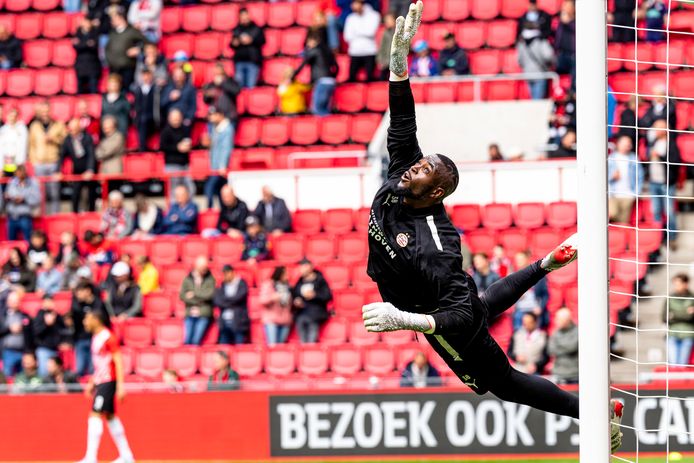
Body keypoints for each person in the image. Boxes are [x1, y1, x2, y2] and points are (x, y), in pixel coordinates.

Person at [358, 3, 623, 452]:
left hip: (440, 314)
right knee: (483, 311)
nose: (412, 167)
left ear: (437, 192)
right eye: (417, 162)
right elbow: (403, 123)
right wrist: (399, 70)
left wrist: (405, 320)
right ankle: (545, 263)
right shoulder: (401, 172)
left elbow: (460, 316)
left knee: (502, 380)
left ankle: (596, 416)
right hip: (437, 297)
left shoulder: (440, 248)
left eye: (423, 168)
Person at [76, 309, 135, 463]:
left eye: (87, 318)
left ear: (96, 319)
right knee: (110, 416)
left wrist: (121, 386)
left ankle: (91, 457)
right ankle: (127, 456)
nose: (84, 322)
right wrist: (92, 381)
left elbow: (117, 360)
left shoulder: (108, 337)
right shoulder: (96, 338)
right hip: (102, 381)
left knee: (95, 415)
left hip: (109, 381)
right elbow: (100, 364)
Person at [28, 101, 67, 214]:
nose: (45, 113)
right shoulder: (34, 126)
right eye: (43, 111)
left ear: (50, 111)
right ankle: (42, 215)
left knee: (54, 192)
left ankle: (55, 215)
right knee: (40, 193)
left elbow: (65, 142)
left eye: (47, 111)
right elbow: (31, 145)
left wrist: (53, 139)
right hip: (39, 163)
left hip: (53, 162)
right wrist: (34, 161)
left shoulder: (58, 124)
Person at [647, 119, 680, 248]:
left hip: (666, 183)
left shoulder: (671, 144)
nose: (655, 130)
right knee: (656, 211)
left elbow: (675, 161)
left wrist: (659, 157)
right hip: (653, 182)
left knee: (669, 211)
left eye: (658, 128)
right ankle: (658, 237)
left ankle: (672, 237)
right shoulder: (653, 142)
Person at [293, 33, 339, 116]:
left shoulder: (315, 51)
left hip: (321, 81)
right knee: (326, 108)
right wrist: (333, 77)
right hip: (331, 81)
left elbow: (303, 64)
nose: (308, 44)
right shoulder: (328, 51)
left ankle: (324, 128)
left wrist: (293, 75)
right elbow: (336, 67)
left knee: (318, 109)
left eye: (309, 42)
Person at [59, 118, 98, 213]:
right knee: (75, 193)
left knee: (91, 193)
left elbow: (91, 155)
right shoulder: (68, 139)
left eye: (73, 129)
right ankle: (74, 213)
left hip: (88, 169)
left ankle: (91, 212)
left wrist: (90, 170)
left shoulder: (87, 137)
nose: (71, 131)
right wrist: (58, 171)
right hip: (77, 170)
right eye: (70, 129)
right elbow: (61, 156)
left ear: (79, 128)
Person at [105, 7, 145, 91]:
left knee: (126, 91)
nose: (112, 21)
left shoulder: (132, 31)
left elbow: (148, 43)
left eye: (114, 19)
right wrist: (110, 61)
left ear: (121, 18)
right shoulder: (112, 33)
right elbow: (107, 48)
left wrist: (139, 49)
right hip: (114, 68)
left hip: (127, 67)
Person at [292, 258, 332, 343]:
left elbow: (328, 296)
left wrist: (315, 295)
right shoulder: (299, 281)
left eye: (303, 266)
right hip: (301, 314)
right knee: (303, 342)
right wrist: (296, 301)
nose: (301, 269)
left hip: (315, 314)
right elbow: (295, 295)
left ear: (310, 266)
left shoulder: (320, 280)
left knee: (311, 342)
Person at [69, 281, 104, 377]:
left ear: (88, 291)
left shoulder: (98, 304)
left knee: (93, 369)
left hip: (95, 339)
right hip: (80, 339)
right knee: (79, 369)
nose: (78, 295)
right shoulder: (77, 305)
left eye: (80, 292)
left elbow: (103, 322)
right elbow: (73, 320)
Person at [180, 256, 216, 346]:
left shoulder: (210, 279)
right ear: (196, 266)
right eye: (202, 267)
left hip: (204, 313)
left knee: (196, 341)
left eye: (205, 267)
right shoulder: (188, 279)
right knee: (187, 341)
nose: (204, 269)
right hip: (190, 312)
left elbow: (209, 295)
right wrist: (200, 299)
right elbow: (182, 296)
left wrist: (194, 294)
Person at [608, 135, 643, 224]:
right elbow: (602, 177)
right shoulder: (610, 158)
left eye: (628, 144)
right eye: (624, 144)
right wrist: (612, 176)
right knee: (613, 214)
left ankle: (620, 238)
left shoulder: (634, 158)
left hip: (628, 195)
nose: (627, 146)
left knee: (623, 222)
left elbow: (640, 176)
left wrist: (635, 193)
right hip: (613, 194)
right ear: (618, 144)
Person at [159, 109, 194, 197]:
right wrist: (177, 147)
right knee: (174, 191)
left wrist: (187, 146)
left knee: (190, 189)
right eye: (174, 118)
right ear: (169, 119)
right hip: (172, 165)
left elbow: (188, 142)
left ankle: (188, 209)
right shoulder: (165, 131)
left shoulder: (184, 129)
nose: (176, 120)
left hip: (185, 165)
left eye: (178, 118)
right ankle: (174, 209)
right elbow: (163, 147)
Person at [203, 107, 233, 209]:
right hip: (214, 166)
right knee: (219, 192)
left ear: (220, 115)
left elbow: (226, 148)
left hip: (219, 168)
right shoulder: (214, 128)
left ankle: (209, 209)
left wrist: (222, 165)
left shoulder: (226, 129)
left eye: (213, 115)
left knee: (209, 188)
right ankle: (223, 212)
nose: (211, 118)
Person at [511, 250, 549, 329]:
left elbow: (545, 295)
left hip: (534, 309)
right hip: (520, 309)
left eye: (521, 259)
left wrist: (540, 308)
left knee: (537, 325)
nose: (518, 262)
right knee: (517, 322)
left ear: (527, 259)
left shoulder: (539, 274)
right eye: (517, 260)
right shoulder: (513, 277)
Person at [344, 0, 380, 82]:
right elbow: (347, 36)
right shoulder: (350, 18)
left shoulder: (374, 15)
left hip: (369, 52)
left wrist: (355, 32)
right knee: (351, 80)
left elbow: (370, 32)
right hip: (354, 52)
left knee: (370, 79)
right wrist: (363, 32)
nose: (353, 6)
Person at [213, 264, 250, 345]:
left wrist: (225, 301)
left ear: (232, 272)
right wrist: (231, 302)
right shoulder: (222, 285)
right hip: (224, 322)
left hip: (239, 322)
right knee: (223, 349)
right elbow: (217, 301)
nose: (224, 276)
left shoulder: (242, 284)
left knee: (239, 350)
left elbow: (239, 298)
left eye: (226, 274)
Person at [230, 8, 265, 89]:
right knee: (238, 89)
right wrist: (234, 43)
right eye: (242, 16)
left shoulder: (256, 29)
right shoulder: (237, 29)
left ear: (249, 16)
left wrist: (251, 40)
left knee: (250, 88)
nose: (244, 17)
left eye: (246, 15)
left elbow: (262, 41)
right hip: (239, 62)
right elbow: (231, 44)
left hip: (252, 61)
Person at [663, 274, 694, 366]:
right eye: (675, 284)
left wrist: (674, 315)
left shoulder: (692, 298)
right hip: (672, 333)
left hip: (688, 334)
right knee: (673, 365)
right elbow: (664, 317)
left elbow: (691, 318)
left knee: (682, 364)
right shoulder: (670, 298)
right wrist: (686, 313)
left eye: (679, 284)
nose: (677, 286)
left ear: (686, 284)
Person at [33, 295, 67, 376]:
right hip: (43, 349)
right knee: (44, 373)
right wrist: (46, 324)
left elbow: (63, 329)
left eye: (50, 301)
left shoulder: (56, 315)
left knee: (56, 374)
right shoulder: (39, 315)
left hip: (55, 349)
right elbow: (36, 332)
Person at [5, 165, 41, 241]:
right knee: (11, 243)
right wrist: (8, 197)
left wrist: (24, 199)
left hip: (25, 217)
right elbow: (8, 194)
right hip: (11, 217)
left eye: (21, 171)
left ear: (25, 172)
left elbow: (37, 199)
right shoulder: (12, 182)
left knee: (27, 242)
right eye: (18, 172)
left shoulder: (33, 183)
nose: (19, 174)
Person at [259, 266, 293, 345]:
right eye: (285, 274)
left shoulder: (288, 287)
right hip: (272, 320)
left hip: (285, 320)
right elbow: (262, 300)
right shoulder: (268, 284)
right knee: (272, 346)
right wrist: (273, 298)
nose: (287, 277)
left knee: (281, 348)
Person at [0, 291, 31, 376]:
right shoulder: (2, 316)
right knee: (7, 376)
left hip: (23, 352)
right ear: (8, 302)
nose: (15, 303)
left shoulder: (25, 315)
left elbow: (30, 334)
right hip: (8, 351)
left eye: (17, 301)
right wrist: (9, 329)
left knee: (21, 377)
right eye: (13, 301)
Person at [548, 307, 579, 384]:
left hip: (575, 374)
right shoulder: (555, 332)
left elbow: (572, 347)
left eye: (558, 319)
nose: (556, 321)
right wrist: (566, 346)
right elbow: (551, 350)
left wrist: (559, 345)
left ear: (567, 320)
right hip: (558, 373)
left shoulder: (578, 331)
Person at [73, 17, 102, 94]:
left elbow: (94, 45)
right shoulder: (77, 33)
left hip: (93, 66)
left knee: (93, 89)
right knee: (80, 90)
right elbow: (76, 46)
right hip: (80, 66)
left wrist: (81, 43)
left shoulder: (95, 33)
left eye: (88, 22)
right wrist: (87, 44)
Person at [133, 69, 158, 151]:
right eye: (144, 75)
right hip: (141, 117)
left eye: (148, 75)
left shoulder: (156, 89)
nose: (146, 78)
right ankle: (143, 148)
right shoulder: (137, 89)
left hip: (152, 117)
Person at [0, 108, 28, 180]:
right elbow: (1, 149)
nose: (12, 118)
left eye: (14, 116)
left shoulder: (22, 129)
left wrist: (20, 164)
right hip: (6, 164)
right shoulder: (3, 130)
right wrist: (1, 167)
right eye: (10, 115)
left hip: (17, 164)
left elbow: (23, 147)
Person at [95, 116, 125, 181]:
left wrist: (100, 152)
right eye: (103, 126)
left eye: (106, 125)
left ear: (113, 125)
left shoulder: (118, 137)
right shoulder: (104, 139)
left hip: (114, 171)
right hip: (104, 171)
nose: (104, 127)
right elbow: (97, 152)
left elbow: (107, 152)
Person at [554, 0, 576, 76]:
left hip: (574, 55)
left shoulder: (578, 19)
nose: (564, 8)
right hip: (562, 54)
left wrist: (569, 22)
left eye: (567, 6)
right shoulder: (561, 21)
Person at [376, 12, 396, 80]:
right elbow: (382, 48)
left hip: (397, 63)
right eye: (386, 20)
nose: (387, 22)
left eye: (389, 20)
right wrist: (380, 60)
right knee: (383, 79)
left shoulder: (400, 32)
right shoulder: (385, 33)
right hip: (386, 62)